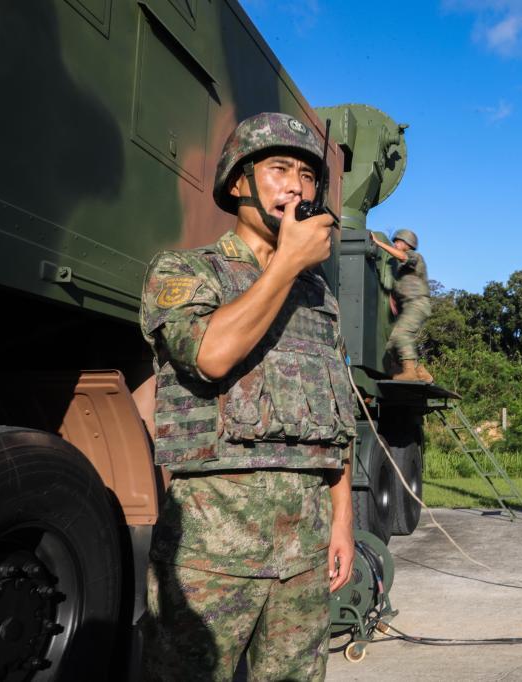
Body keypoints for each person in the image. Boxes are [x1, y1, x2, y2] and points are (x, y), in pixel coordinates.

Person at [138, 112, 359, 680]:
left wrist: (342, 521)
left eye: (308, 176)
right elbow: (210, 356)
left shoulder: (319, 299)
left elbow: (338, 422)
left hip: (304, 550)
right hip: (212, 552)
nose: (297, 187)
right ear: (238, 182)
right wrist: (286, 264)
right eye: (279, 169)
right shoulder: (187, 271)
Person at [370, 229, 434, 382]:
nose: (395, 244)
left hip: (418, 303)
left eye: (398, 242)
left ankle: (409, 372)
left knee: (402, 335)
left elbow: (403, 257)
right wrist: (393, 299)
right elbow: (401, 288)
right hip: (410, 306)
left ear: (407, 243)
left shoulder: (414, 256)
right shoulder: (402, 271)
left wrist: (378, 243)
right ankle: (420, 372)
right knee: (392, 343)